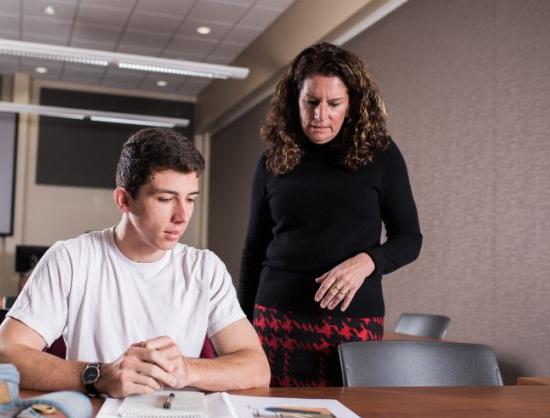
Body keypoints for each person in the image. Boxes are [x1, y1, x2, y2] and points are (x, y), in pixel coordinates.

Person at [0, 128, 270, 398]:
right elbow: (6, 352)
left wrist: (187, 370)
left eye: (190, 199)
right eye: (165, 199)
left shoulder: (205, 269)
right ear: (124, 200)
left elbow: (257, 367)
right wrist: (97, 376)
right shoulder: (71, 259)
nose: (182, 216)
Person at [239, 42, 422, 387]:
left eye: (334, 103)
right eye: (311, 102)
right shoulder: (273, 159)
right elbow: (254, 250)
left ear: (352, 105)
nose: (320, 114)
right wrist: (242, 325)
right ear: (295, 100)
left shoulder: (381, 155)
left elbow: (409, 238)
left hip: (352, 323)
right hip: (275, 318)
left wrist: (368, 261)